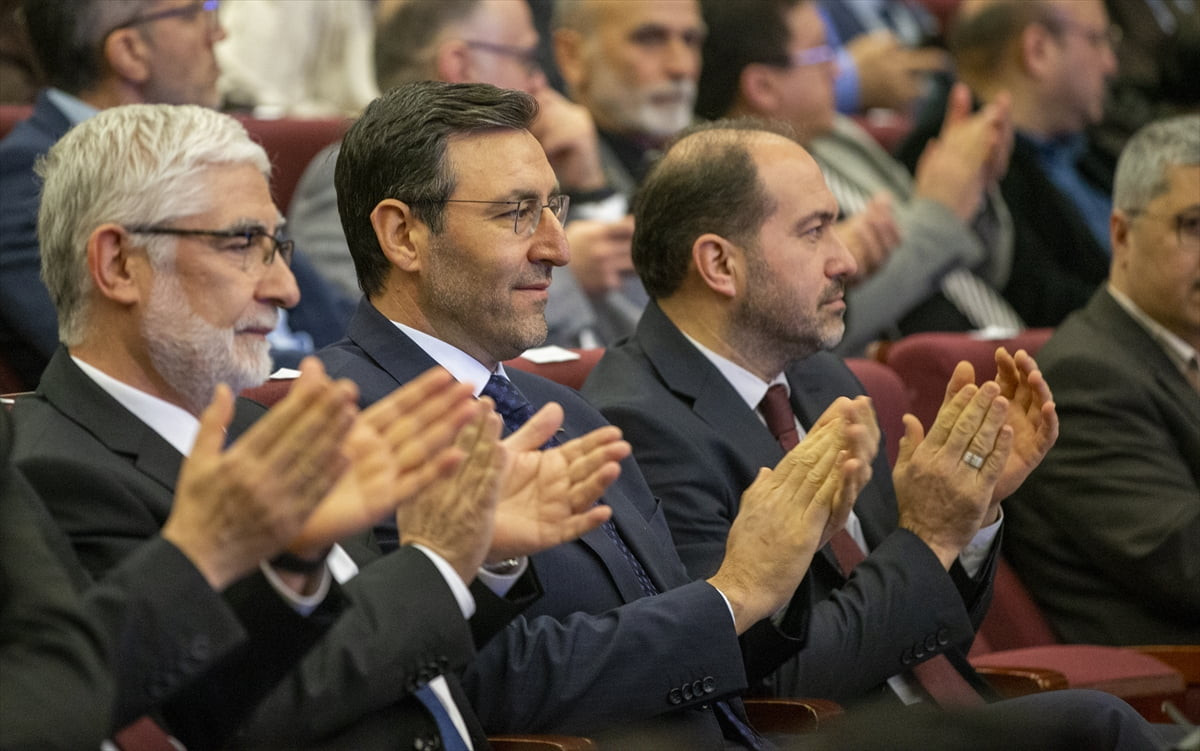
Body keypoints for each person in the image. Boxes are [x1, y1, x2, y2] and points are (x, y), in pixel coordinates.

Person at [10, 102, 623, 749]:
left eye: (280, 247)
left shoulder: (267, 428)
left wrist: (481, 556)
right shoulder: (54, 471)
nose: (285, 288)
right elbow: (244, 712)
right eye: (244, 243)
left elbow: (377, 654)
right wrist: (437, 563)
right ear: (118, 264)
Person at [319, 79, 877, 747]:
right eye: (518, 212)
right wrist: (736, 591)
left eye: (556, 206)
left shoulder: (567, 410)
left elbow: (688, 653)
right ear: (403, 235)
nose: (557, 247)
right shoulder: (348, 430)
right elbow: (489, 686)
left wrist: (777, 569)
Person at [579, 117, 1167, 751]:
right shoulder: (638, 424)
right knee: (1099, 726)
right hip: (825, 737)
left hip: (933, 716)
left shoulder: (820, 377)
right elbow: (776, 680)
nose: (847, 260)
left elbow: (929, 635)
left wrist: (969, 519)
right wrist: (931, 536)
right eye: (814, 232)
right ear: (720, 263)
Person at [0, 0, 351, 391]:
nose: (218, 32)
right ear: (130, 52)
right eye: (192, 13)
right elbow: (141, 362)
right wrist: (351, 373)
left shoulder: (211, 154)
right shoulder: (27, 179)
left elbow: (331, 316)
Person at [289, 0, 637, 348]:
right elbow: (370, 322)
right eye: (526, 58)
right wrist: (571, 278)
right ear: (461, 65)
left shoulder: (542, 163)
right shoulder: (350, 174)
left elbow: (639, 339)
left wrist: (592, 192)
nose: (539, 80)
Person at [696, 0, 1021, 355]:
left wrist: (971, 188)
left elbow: (980, 268)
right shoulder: (729, 192)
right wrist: (939, 211)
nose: (838, 70)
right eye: (821, 52)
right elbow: (823, 330)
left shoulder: (837, 137)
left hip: (992, 338)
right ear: (763, 87)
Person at [1004, 114, 1200, 646]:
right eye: (1194, 226)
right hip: (1164, 699)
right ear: (1121, 234)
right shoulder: (1085, 378)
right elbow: (1186, 562)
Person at [897, 0, 1119, 327]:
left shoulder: (1092, 150)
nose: (1110, 64)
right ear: (1037, 51)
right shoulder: (954, 160)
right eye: (1097, 40)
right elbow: (1046, 307)